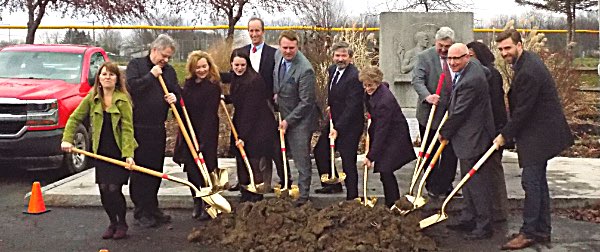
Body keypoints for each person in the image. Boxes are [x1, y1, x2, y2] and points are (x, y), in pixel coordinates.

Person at [494, 29, 574, 250]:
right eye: (500, 49)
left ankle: (529, 232)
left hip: (539, 134)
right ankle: (542, 230)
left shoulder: (529, 70)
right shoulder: (526, 62)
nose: (504, 53)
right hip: (540, 132)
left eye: (508, 48)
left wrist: (504, 135)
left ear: (519, 45)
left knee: (531, 183)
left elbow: (523, 112)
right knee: (538, 183)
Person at [61, 62, 137, 239]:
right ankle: (112, 222)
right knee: (103, 189)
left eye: (111, 74)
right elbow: (74, 118)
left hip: (118, 151)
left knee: (113, 189)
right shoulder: (92, 97)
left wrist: (129, 155)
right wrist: (67, 139)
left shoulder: (122, 99)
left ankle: (122, 223)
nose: (107, 77)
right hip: (100, 150)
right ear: (99, 79)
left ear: (117, 78)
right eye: (104, 74)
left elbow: (127, 129)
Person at [438, 43, 496, 240]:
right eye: (450, 59)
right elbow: (487, 71)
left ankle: (483, 224)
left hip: (473, 137)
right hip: (468, 136)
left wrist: (444, 132)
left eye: (457, 58)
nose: (452, 62)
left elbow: (460, 111)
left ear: (467, 57)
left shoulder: (471, 80)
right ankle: (469, 216)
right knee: (467, 180)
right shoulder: (475, 69)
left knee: (476, 182)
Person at [226, 17, 290, 192]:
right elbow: (235, 78)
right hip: (245, 106)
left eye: (257, 30)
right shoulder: (242, 52)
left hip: (265, 104)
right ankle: (245, 181)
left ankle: (274, 182)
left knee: (267, 146)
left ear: (263, 31)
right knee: (245, 145)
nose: (254, 34)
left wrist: (277, 95)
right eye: (251, 31)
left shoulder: (273, 53)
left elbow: (277, 76)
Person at [126, 34, 180, 228]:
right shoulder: (137, 65)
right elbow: (132, 87)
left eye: (169, 57)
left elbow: (176, 90)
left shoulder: (170, 71)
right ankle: (141, 211)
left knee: (156, 169)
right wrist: (152, 76)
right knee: (141, 170)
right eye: (164, 56)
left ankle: (152, 206)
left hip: (158, 127)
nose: (165, 60)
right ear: (154, 50)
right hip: (139, 127)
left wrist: (174, 97)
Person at [172, 50, 221, 221]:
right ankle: (197, 201)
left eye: (204, 66)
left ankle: (209, 202)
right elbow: (182, 108)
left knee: (207, 168)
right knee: (192, 170)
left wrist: (202, 141)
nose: (201, 70)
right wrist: (175, 101)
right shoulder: (189, 85)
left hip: (206, 132)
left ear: (209, 66)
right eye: (197, 67)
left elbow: (210, 114)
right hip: (189, 130)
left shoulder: (213, 86)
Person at [223, 51, 277, 203]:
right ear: (231, 65)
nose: (239, 68)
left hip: (258, 124)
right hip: (242, 119)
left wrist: (242, 136)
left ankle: (256, 194)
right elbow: (237, 97)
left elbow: (250, 110)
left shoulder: (254, 81)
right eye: (236, 65)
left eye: (242, 65)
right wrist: (225, 98)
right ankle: (245, 190)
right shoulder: (236, 77)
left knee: (253, 158)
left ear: (247, 65)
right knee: (240, 157)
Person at [411, 26, 459, 198]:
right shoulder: (425, 57)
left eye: (447, 46)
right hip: (429, 114)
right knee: (429, 150)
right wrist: (427, 96)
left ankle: (446, 184)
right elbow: (417, 80)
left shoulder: (458, 56)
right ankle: (430, 183)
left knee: (449, 151)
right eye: (441, 46)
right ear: (435, 42)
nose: (444, 50)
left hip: (451, 114)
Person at [313, 41, 364, 200]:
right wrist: (330, 106)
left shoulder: (355, 76)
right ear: (333, 56)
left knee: (348, 160)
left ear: (350, 58)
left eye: (344, 55)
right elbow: (335, 93)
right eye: (337, 55)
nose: (340, 59)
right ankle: (331, 185)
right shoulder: (332, 70)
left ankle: (352, 197)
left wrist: (338, 128)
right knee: (320, 150)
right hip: (335, 119)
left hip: (350, 124)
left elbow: (352, 106)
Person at [273, 30, 318, 207]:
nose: (288, 51)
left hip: (301, 120)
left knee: (301, 158)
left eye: (292, 48)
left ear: (297, 46)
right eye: (285, 47)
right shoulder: (278, 56)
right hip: (283, 112)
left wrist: (288, 121)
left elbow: (307, 102)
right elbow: (277, 78)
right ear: (279, 46)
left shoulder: (305, 70)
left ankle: (303, 196)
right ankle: (286, 185)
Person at [361, 66, 416, 208]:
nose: (367, 88)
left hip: (395, 136)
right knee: (385, 171)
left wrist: (371, 156)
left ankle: (392, 203)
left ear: (377, 83)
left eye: (370, 85)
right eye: (365, 85)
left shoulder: (385, 101)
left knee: (385, 169)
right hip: (386, 132)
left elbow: (382, 130)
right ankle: (391, 202)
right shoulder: (375, 92)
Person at [467, 41, 509, 223]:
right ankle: (487, 210)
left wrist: (499, 131)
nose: (468, 59)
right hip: (484, 127)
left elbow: (496, 105)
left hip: (492, 128)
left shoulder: (490, 74)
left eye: (471, 55)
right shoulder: (478, 73)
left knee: (493, 170)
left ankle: (498, 211)